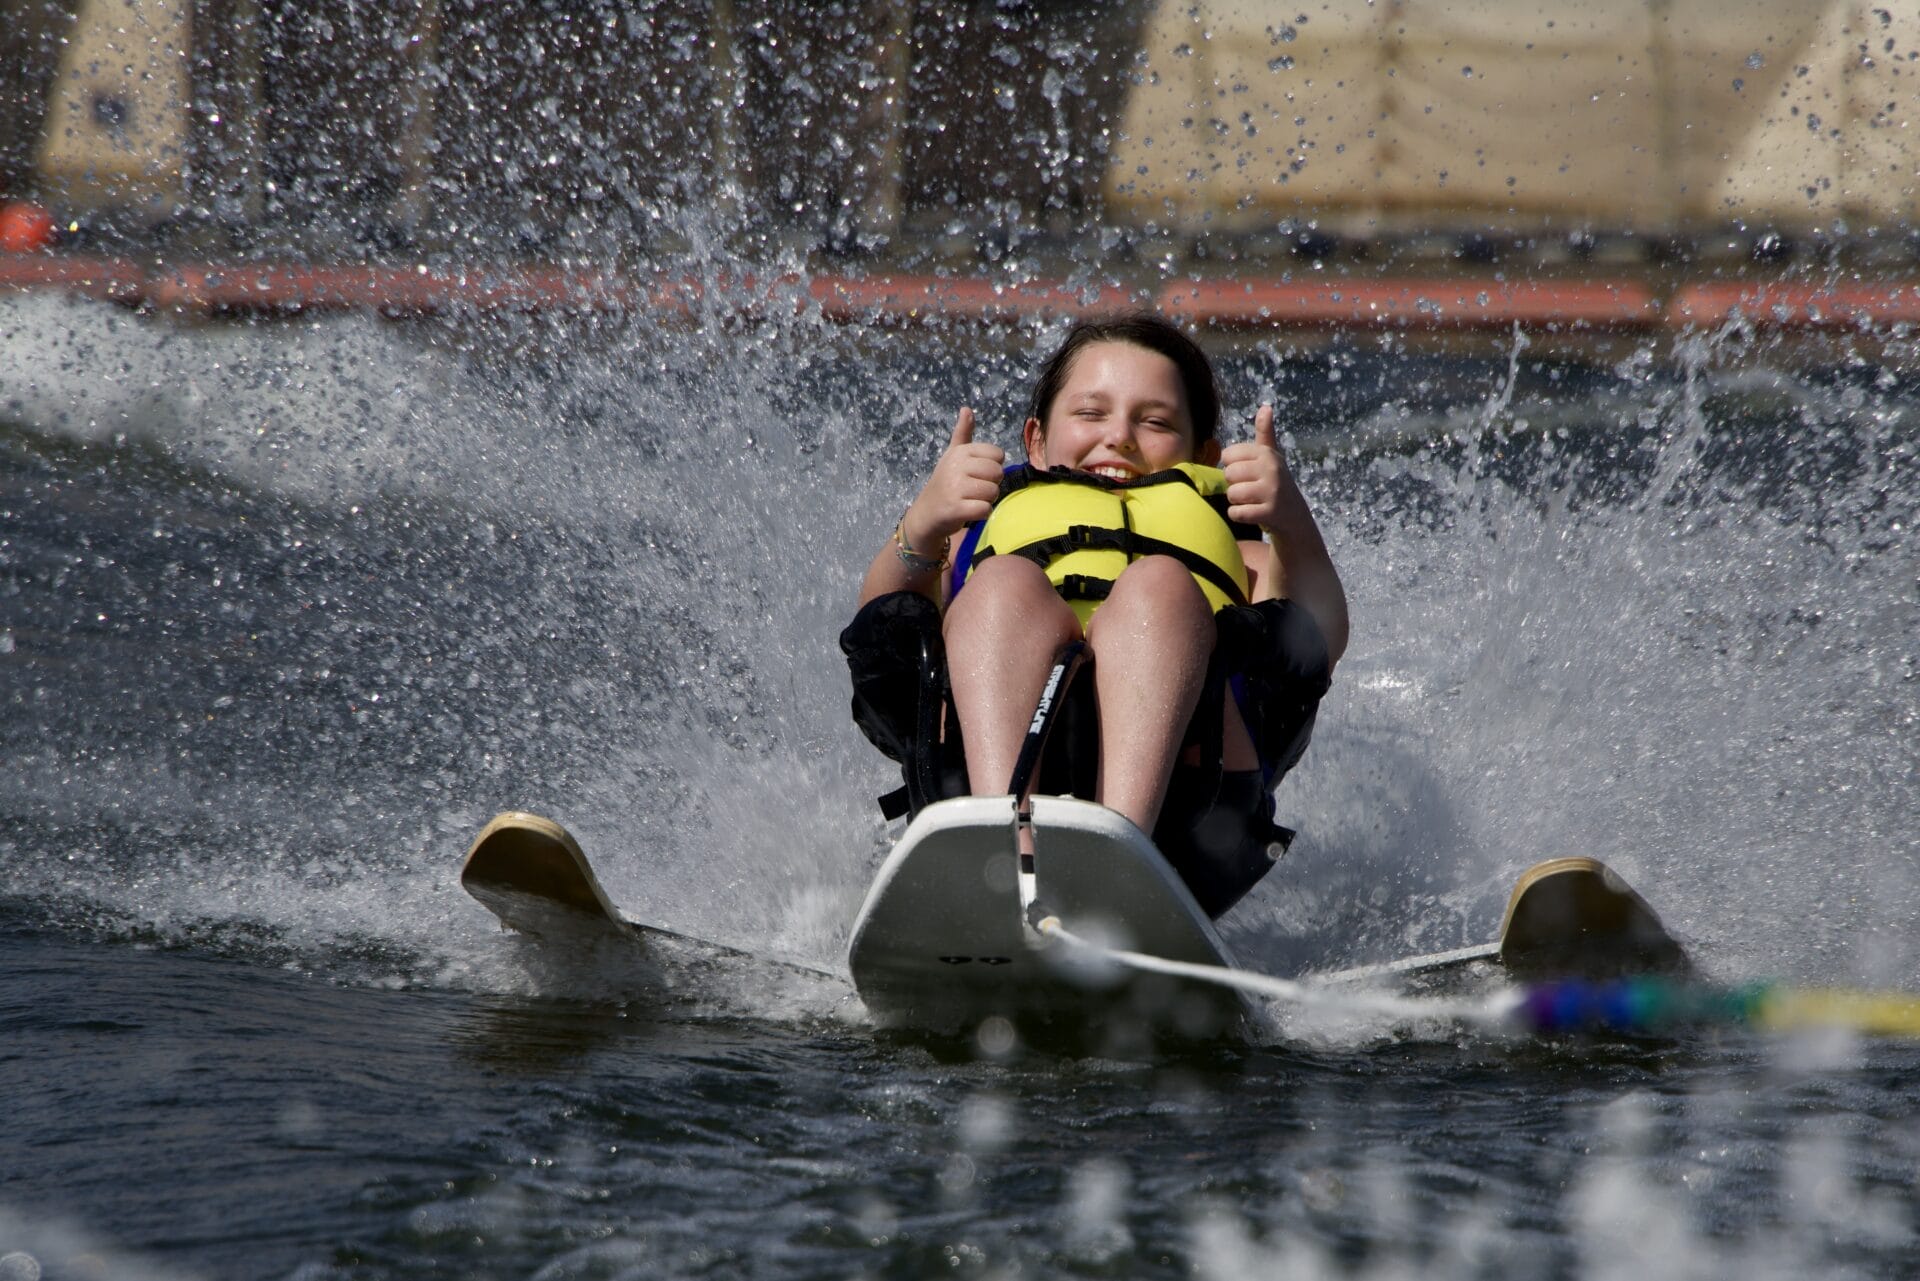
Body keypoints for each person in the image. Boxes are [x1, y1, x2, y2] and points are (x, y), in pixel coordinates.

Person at [842, 314, 1348, 917]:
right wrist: (923, 524)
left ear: (1204, 454)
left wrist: (1292, 523)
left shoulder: (1246, 556)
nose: (1120, 437)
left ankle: (1119, 860)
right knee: (1002, 580)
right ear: (1036, 440)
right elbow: (881, 615)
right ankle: (1008, 849)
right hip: (979, 780)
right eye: (1090, 413)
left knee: (1161, 584)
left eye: (1155, 421)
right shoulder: (966, 535)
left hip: (1192, 807)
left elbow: (1319, 636)